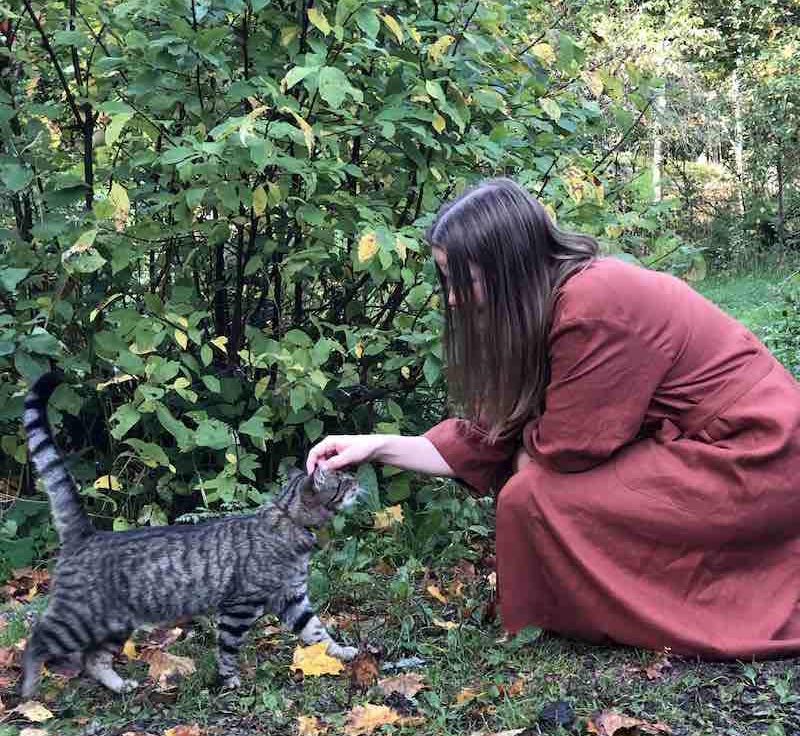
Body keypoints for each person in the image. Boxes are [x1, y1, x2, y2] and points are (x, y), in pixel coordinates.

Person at [306, 177, 800, 660]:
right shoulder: (547, 303)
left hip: (756, 457)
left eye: (463, 280)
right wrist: (374, 445)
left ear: (511, 268)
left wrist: (525, 456)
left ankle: (689, 607)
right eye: (446, 280)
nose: (452, 298)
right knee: (529, 485)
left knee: (533, 494)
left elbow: (568, 451)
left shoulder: (594, 300)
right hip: (720, 449)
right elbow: (484, 439)